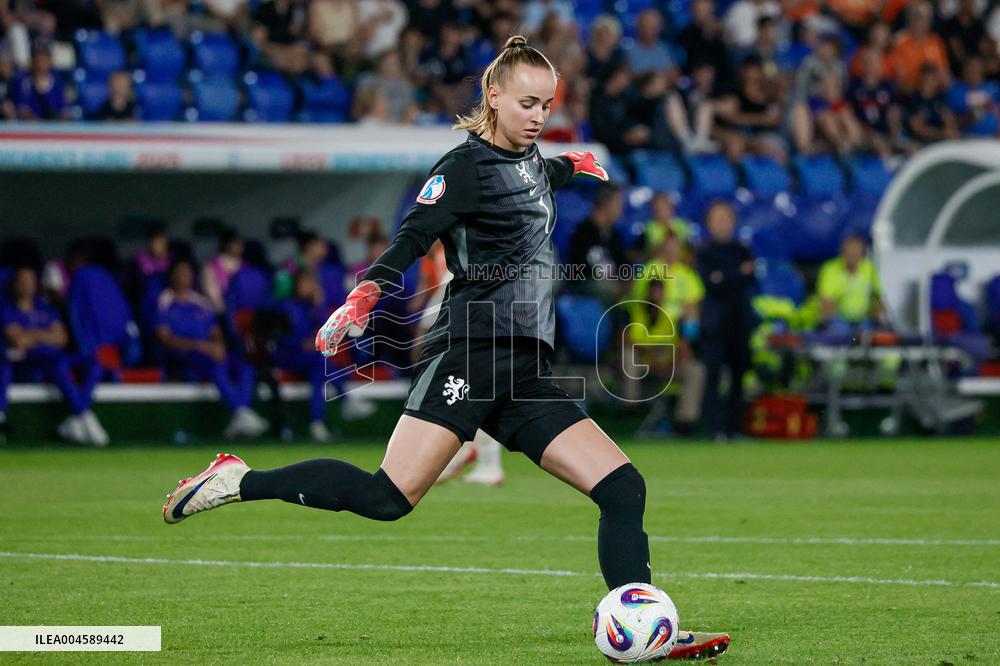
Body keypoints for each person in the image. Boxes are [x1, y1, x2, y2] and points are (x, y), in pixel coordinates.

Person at [162, 36, 730, 661]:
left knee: (623, 488)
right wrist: (365, 296)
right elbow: (413, 235)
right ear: (493, 96)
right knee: (387, 498)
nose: (539, 116)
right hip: (469, 354)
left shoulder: (536, 163)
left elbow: (544, 173)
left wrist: (575, 164)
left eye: (547, 104)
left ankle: (646, 631)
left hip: (523, 369)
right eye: (527, 103)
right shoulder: (461, 168)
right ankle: (239, 480)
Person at [156, 258, 268, 439]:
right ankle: (241, 413)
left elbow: (215, 332)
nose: (184, 276)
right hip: (185, 356)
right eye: (180, 273)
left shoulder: (200, 302)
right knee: (215, 364)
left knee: (245, 364)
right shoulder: (165, 300)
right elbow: (165, 338)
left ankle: (241, 413)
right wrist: (201, 346)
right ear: (172, 276)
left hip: (209, 352)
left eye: (187, 272)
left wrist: (218, 345)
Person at [1, 265, 107, 445]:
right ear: (15, 285)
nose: (26, 285)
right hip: (25, 364)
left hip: (50, 360)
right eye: (22, 281)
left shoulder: (45, 308)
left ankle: (79, 413)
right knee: (5, 369)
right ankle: (83, 414)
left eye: (30, 281)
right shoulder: (7, 310)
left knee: (92, 365)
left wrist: (32, 334)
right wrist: (45, 335)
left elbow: (62, 338)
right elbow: (18, 341)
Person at [697, 201, 755, 441]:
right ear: (708, 223)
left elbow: (749, 279)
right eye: (716, 218)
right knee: (713, 375)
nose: (721, 223)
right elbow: (711, 282)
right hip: (715, 322)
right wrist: (735, 275)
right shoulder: (704, 252)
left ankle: (735, 427)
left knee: (739, 374)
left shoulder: (742, 250)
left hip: (739, 321)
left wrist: (725, 277)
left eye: (725, 218)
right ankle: (714, 428)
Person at [816, 234, 885, 330]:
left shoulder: (870, 268)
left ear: (862, 254)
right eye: (849, 251)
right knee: (838, 328)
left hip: (865, 320)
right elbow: (826, 300)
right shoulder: (830, 269)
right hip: (839, 319)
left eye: (856, 251)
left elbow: (879, 296)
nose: (853, 254)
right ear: (842, 253)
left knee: (873, 330)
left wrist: (878, 315)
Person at [201, 227, 245, 313]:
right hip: (219, 313)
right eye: (235, 243)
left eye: (240, 243)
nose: (240, 246)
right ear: (226, 244)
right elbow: (212, 296)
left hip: (243, 311)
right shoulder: (210, 267)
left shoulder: (245, 266)